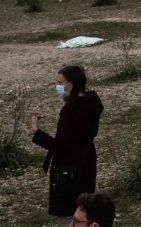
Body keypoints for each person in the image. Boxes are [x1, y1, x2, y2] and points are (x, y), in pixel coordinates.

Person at [32, 65, 105, 227]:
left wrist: (36, 131)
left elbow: (58, 145)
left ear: (70, 85)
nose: (58, 87)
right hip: (86, 162)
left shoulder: (70, 110)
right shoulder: (92, 102)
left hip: (68, 170)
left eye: (60, 83)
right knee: (84, 209)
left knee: (69, 215)